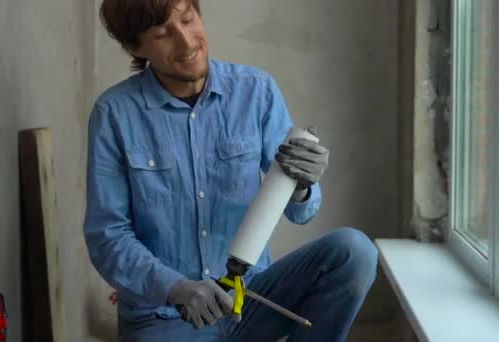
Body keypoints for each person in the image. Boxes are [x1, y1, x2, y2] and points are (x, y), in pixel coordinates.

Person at [83, 0, 378, 341]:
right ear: (135, 46)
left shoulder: (257, 92)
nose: (186, 41)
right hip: (165, 315)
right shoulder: (114, 114)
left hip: (251, 299)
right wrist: (174, 287)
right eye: (164, 33)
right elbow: (107, 236)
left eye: (188, 19)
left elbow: (302, 212)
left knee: (354, 252)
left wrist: (303, 186)